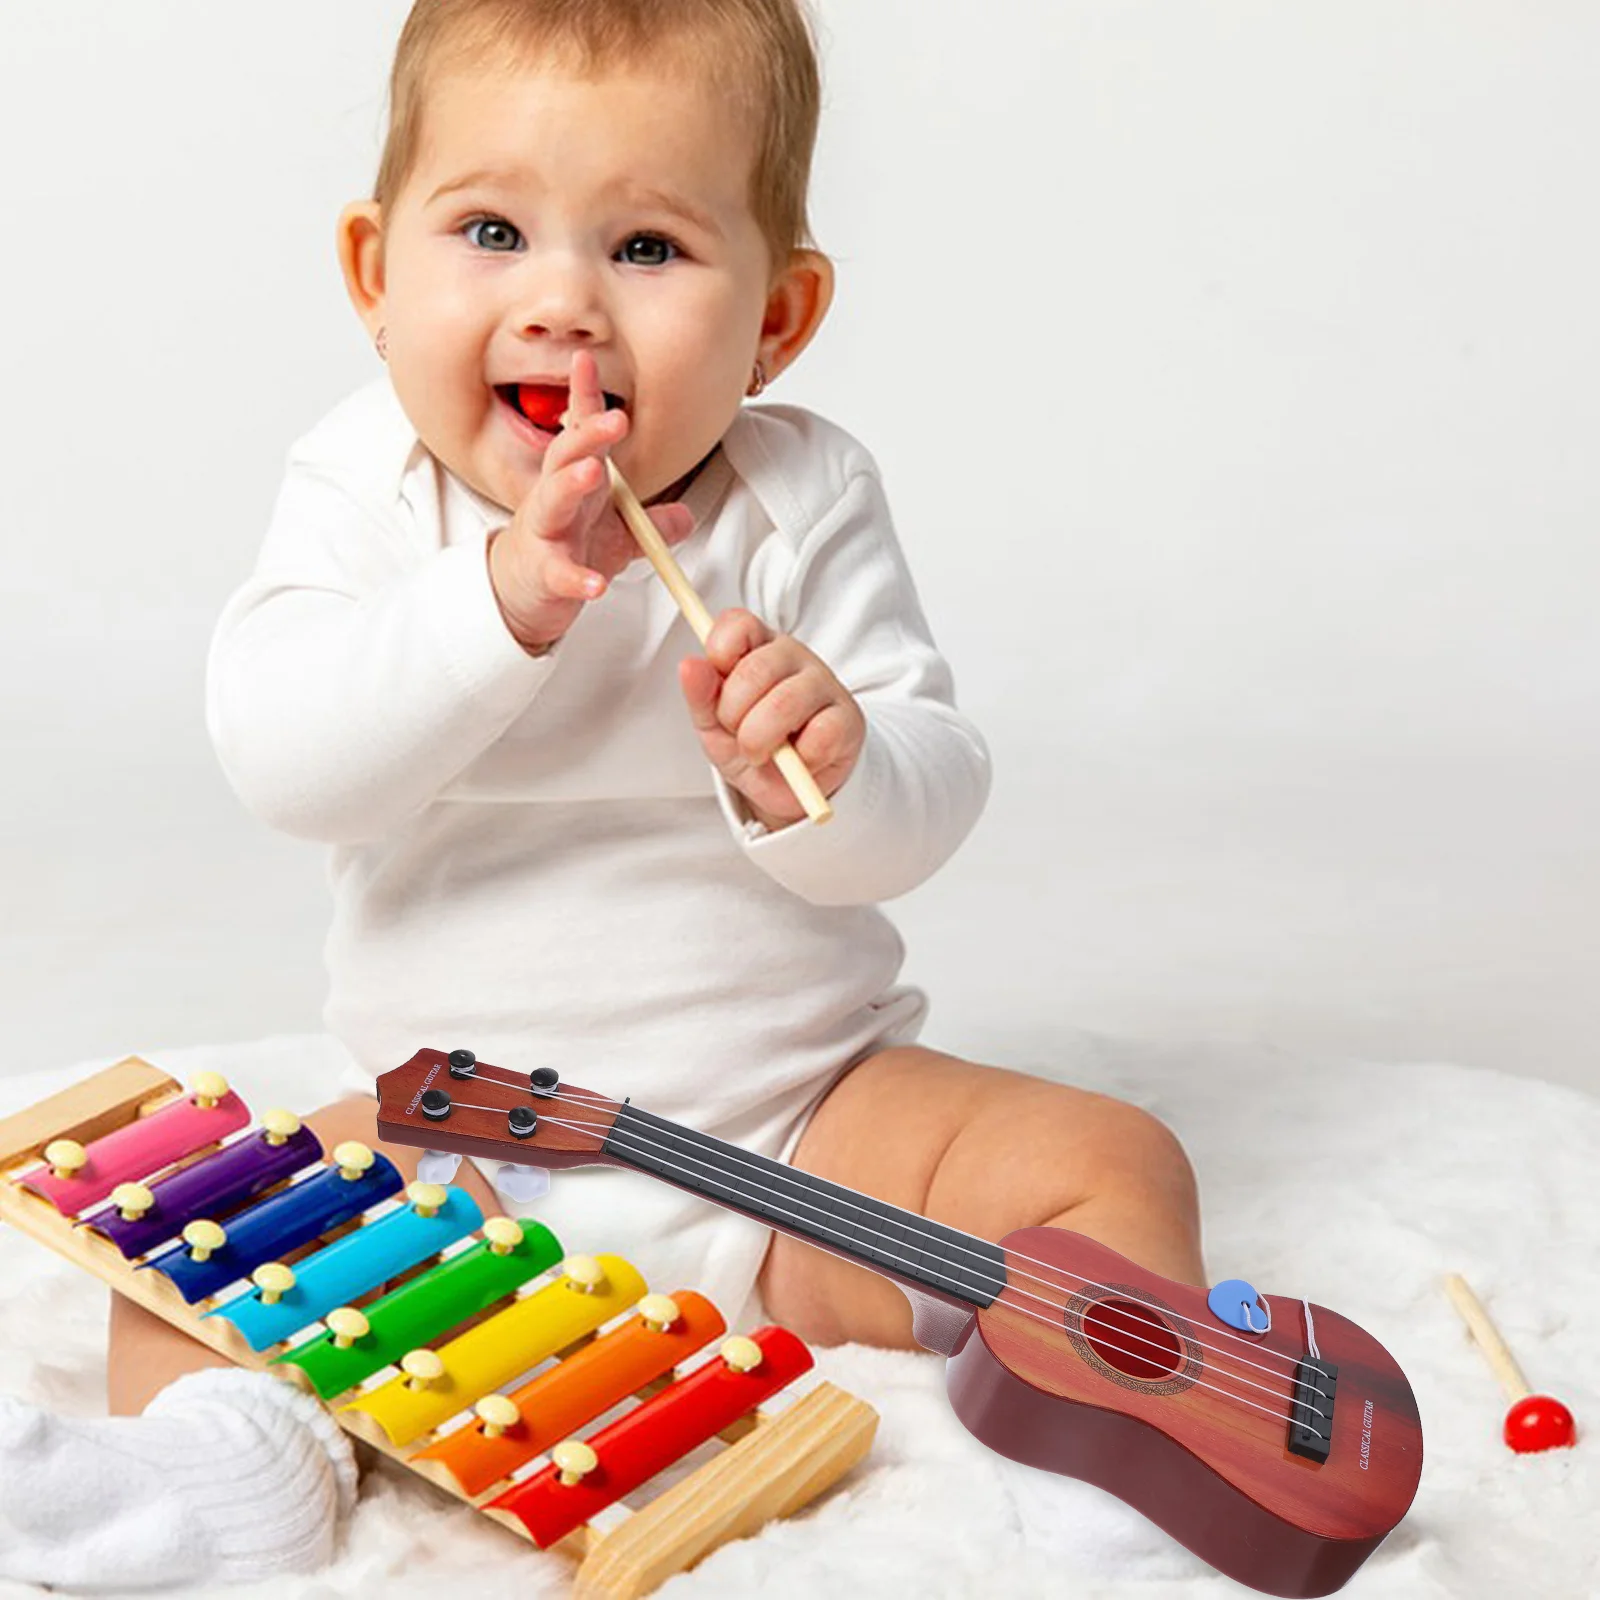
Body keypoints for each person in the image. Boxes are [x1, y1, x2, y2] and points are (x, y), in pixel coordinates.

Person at [3, 0, 1202, 1584]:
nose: (563, 302)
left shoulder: (802, 496)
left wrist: (833, 764)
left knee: (1113, 1157)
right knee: (197, 1240)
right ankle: (243, 1466)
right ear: (377, 276)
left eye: (645, 247)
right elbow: (287, 762)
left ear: (779, 316)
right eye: (492, 230)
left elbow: (924, 806)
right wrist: (490, 609)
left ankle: (1106, 1434)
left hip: (797, 1132)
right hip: (455, 1153)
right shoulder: (365, 489)